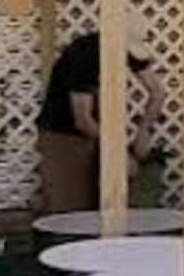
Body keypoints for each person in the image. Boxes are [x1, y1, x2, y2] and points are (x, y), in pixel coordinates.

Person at [35, 28, 152, 214]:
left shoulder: (128, 48)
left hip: (99, 135)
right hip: (63, 137)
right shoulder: (83, 55)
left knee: (101, 208)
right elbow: (83, 120)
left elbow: (158, 91)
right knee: (71, 211)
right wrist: (120, 155)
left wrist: (144, 131)